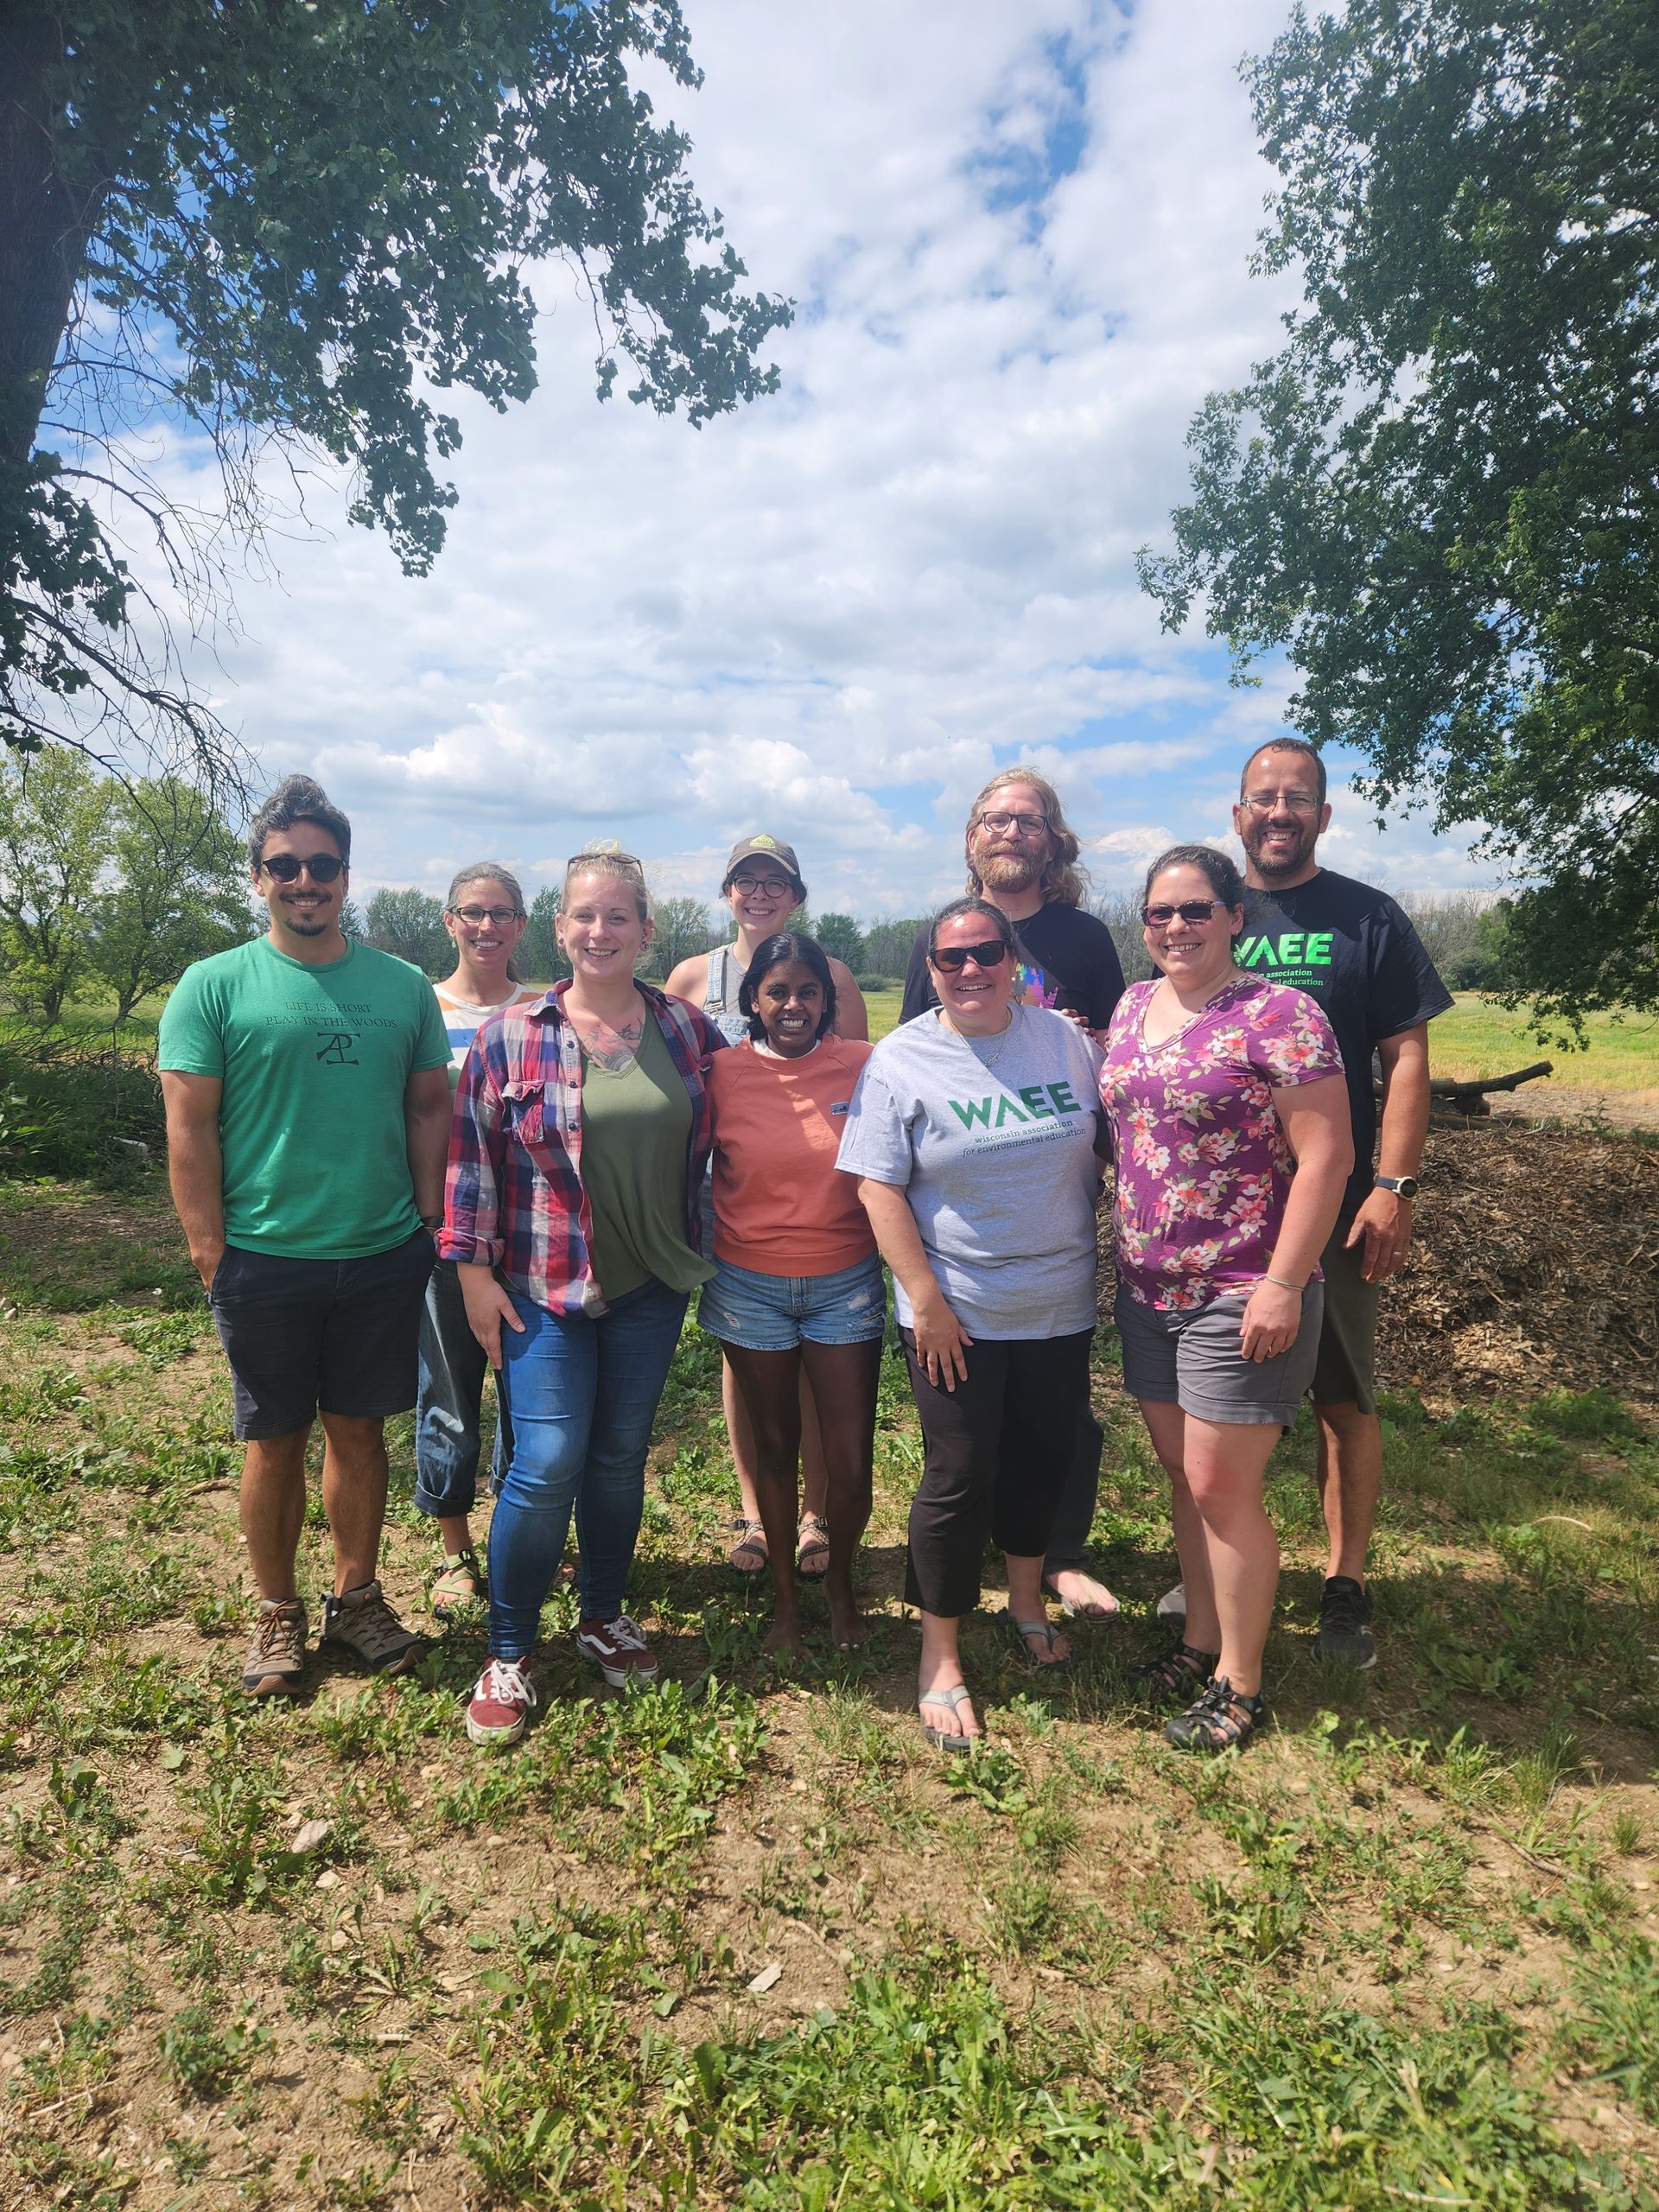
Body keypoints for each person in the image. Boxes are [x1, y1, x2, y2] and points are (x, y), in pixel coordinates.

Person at [1158, 739, 1452, 1669]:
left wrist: (1394, 1188)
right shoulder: (1204, 916)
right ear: (1236, 814)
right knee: (1207, 1406)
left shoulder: (1368, 918)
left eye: (1299, 799)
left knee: (1342, 1397)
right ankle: (1218, 1570)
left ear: (1324, 815)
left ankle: (1344, 1582)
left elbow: (1405, 1057)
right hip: (1214, 1227)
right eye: (1262, 798)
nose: (1279, 812)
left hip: (1326, 1212)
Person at [159, 775, 452, 1697]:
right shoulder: (214, 986)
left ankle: (357, 1598)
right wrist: (211, 1247)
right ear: (257, 878)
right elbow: (188, 1127)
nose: (305, 880)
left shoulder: (400, 987)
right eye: (285, 865)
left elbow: (428, 1103)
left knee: (359, 1433)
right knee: (274, 1439)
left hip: (377, 1253)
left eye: (322, 864)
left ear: (346, 874)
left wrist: (427, 1219)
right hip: (263, 1256)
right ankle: (278, 1613)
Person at [443, 849, 726, 1746]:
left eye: (618, 917)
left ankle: (601, 1613)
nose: (599, 931)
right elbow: (469, 1165)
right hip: (541, 1288)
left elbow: (752, 1118)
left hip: (650, 1286)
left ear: (647, 931)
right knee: (547, 1459)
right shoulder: (511, 1036)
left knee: (618, 1456)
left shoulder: (686, 1031)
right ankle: (510, 1649)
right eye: (583, 917)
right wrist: (473, 1276)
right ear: (559, 929)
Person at [837, 899, 1108, 1752]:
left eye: (985, 952)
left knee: (1041, 1458)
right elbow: (877, 1185)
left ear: (1012, 957)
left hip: (1060, 1302)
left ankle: (1025, 1600)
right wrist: (924, 1299)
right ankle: (941, 1652)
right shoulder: (903, 1058)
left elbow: (1114, 1141)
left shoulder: (1064, 1042)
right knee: (958, 1472)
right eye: (950, 958)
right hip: (956, 1309)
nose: (969, 971)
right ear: (933, 968)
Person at [1100, 844, 1351, 1751]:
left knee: (1221, 1485)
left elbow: (1327, 1157)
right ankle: (1200, 1637)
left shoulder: (1281, 1014)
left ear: (1235, 916)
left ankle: (1241, 1683)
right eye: (1160, 912)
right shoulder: (1134, 1007)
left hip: (1244, 1286)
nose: (1177, 926)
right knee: (1182, 1477)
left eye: (1196, 908)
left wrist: (1284, 1282)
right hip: (1147, 1284)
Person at [899, 768, 1127, 1621]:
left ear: (1052, 840)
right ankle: (976, 1551)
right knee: (964, 1410)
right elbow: (915, 1057)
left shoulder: (1084, 938)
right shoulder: (943, 934)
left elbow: (1116, 1059)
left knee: (1059, 1404)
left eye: (1028, 820)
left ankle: (1055, 1554)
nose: (1011, 832)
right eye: (996, 818)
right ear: (971, 838)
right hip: (962, 1210)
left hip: (1054, 1198)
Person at [664, 835, 868, 1583]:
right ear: (727, 891)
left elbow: (848, 1087)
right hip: (732, 1199)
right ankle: (757, 1511)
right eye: (745, 881)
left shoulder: (835, 972)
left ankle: (815, 1514)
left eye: (774, 882)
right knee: (746, 1367)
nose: (759, 893)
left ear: (795, 894)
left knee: (819, 1372)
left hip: (818, 1213)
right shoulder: (693, 975)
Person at [699, 932, 882, 1656]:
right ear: (752, 1001)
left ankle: (838, 1586)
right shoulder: (720, 1073)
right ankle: (784, 1602)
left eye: (808, 991)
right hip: (749, 1285)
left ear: (828, 1001)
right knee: (775, 1447)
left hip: (847, 1282)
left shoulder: (867, 1065)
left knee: (852, 1457)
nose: (793, 1005)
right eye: (777, 991)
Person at [415, 864, 544, 1619]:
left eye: (501, 914)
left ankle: (519, 1539)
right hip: (446, 1238)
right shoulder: (420, 1008)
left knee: (531, 1403)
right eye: (473, 913)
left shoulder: (548, 1008)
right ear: (449, 921)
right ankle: (456, 1552)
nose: (487, 927)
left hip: (533, 1242)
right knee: (452, 1395)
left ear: (523, 925)